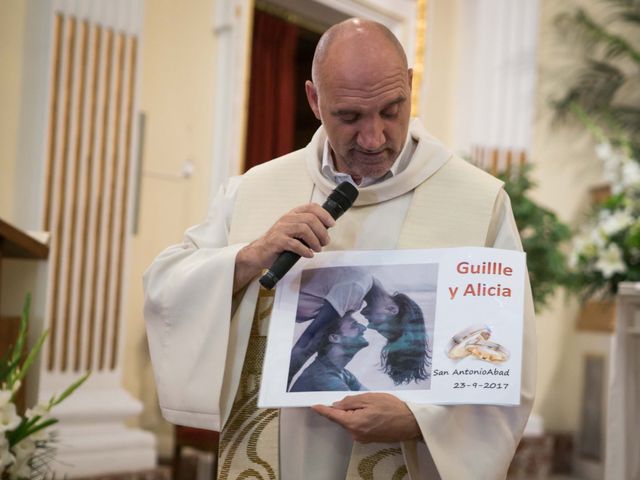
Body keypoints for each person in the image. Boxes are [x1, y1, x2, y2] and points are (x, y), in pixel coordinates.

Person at [143, 17, 535, 479]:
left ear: (410, 86)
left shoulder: (477, 202)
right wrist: (252, 254)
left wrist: (419, 420)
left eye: (392, 110)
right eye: (350, 116)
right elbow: (165, 286)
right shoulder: (257, 188)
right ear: (314, 99)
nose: (373, 138)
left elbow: (510, 364)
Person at [289, 314, 369, 392]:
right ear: (335, 338)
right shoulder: (322, 376)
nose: (363, 328)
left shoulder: (341, 373)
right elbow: (360, 402)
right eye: (354, 325)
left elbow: (369, 397)